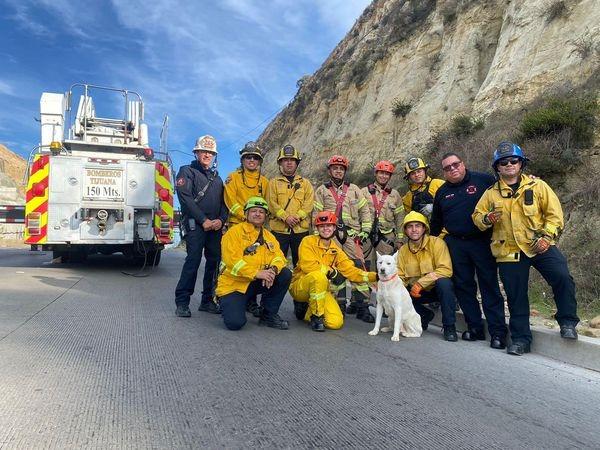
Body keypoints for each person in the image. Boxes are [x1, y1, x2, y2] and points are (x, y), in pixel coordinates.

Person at [473, 142, 579, 356]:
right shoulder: (490, 194)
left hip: (539, 245)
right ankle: (521, 340)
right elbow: (477, 218)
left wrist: (547, 237)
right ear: (498, 167)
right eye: (504, 162)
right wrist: (487, 218)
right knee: (515, 296)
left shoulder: (537, 186)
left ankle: (567, 322)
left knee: (562, 276)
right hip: (508, 251)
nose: (509, 165)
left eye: (514, 160)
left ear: (521, 163)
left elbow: (554, 214)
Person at [430, 152, 508, 349]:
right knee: (464, 288)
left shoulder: (484, 180)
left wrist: (530, 179)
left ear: (463, 164)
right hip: (456, 244)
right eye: (447, 168)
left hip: (482, 242)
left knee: (489, 286)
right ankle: (475, 328)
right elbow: (436, 225)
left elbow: (509, 186)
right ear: (444, 172)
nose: (453, 169)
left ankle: (498, 333)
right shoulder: (442, 192)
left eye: (455, 164)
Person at [289, 211, 378, 331]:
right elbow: (308, 265)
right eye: (322, 226)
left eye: (329, 225)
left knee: (335, 323)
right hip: (300, 286)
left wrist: (376, 277)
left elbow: (351, 271)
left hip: (321, 290)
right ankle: (316, 316)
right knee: (318, 276)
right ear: (317, 228)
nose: (326, 228)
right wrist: (331, 272)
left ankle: (307, 310)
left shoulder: (336, 251)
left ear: (334, 228)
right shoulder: (307, 241)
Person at [313, 155, 374, 323]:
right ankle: (339, 304)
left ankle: (362, 306)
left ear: (345, 171)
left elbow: (365, 212)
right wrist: (318, 236)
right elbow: (315, 215)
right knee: (335, 269)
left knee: (357, 267)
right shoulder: (322, 190)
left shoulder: (354, 189)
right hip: (330, 235)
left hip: (352, 236)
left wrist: (366, 230)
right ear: (329, 170)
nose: (338, 171)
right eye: (335, 168)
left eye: (341, 169)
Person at [215, 196, 291, 331]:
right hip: (234, 285)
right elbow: (232, 261)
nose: (257, 214)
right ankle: (226, 302)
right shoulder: (234, 233)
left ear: (265, 216)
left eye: (261, 212)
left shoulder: (269, 236)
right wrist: (257, 273)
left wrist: (273, 270)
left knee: (284, 274)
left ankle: (268, 315)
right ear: (246, 214)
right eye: (253, 211)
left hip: (255, 282)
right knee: (235, 323)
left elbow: (279, 257)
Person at [174, 135, 227, 317]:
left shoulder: (217, 179)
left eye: (211, 153)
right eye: (204, 151)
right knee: (193, 261)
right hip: (196, 225)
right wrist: (203, 220)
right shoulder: (186, 171)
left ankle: (207, 301)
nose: (207, 155)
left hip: (215, 227)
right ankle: (182, 302)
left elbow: (224, 203)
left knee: (214, 263)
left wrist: (221, 220)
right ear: (196, 152)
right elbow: (185, 199)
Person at [224, 141, 269, 317]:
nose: (251, 160)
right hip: (237, 227)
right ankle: (227, 296)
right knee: (233, 264)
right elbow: (230, 201)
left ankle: (251, 301)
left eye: (255, 158)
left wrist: (258, 221)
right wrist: (246, 218)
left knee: (255, 264)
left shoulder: (264, 182)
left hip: (257, 230)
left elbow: (266, 204)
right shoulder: (233, 178)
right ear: (243, 160)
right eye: (248, 157)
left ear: (259, 162)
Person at [397, 211, 458, 341]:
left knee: (445, 284)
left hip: (436, 290)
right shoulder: (402, 251)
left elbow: (445, 269)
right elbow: (400, 276)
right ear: (406, 230)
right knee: (396, 293)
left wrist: (420, 283)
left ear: (424, 228)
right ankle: (424, 315)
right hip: (415, 293)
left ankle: (449, 327)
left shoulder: (437, 243)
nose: (414, 230)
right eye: (410, 226)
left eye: (418, 226)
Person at [267, 144, 314, 267]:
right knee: (276, 262)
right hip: (279, 231)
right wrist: (285, 217)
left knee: (302, 264)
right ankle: (279, 286)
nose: (289, 163)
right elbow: (271, 203)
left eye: (292, 160)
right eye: (285, 160)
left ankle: (298, 286)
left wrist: (298, 217)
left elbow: (309, 203)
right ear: (280, 163)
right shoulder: (273, 183)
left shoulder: (305, 184)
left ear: (297, 163)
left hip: (301, 231)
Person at [361, 160, 404, 261]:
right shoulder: (364, 192)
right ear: (376, 173)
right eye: (381, 173)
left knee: (385, 268)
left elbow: (400, 218)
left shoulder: (395, 195)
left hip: (386, 239)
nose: (384, 176)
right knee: (366, 266)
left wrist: (400, 240)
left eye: (387, 174)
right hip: (366, 237)